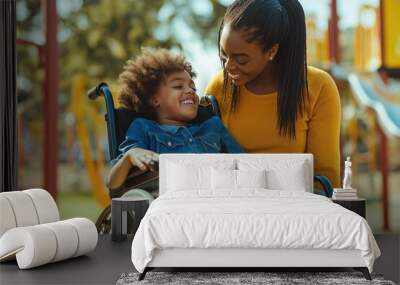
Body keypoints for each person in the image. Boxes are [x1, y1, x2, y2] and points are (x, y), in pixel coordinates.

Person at [205, 0, 341, 187]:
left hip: (299, 207)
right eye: (223, 54)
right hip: (233, 204)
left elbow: (325, 175)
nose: (228, 66)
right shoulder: (218, 88)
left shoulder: (319, 87)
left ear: (271, 51)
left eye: (241, 59)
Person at [107, 48, 244, 190]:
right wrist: (130, 156)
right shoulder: (144, 128)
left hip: (218, 197)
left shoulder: (212, 126)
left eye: (193, 88)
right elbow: (113, 183)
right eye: (178, 86)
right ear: (154, 99)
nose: (190, 91)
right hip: (168, 203)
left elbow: (247, 164)